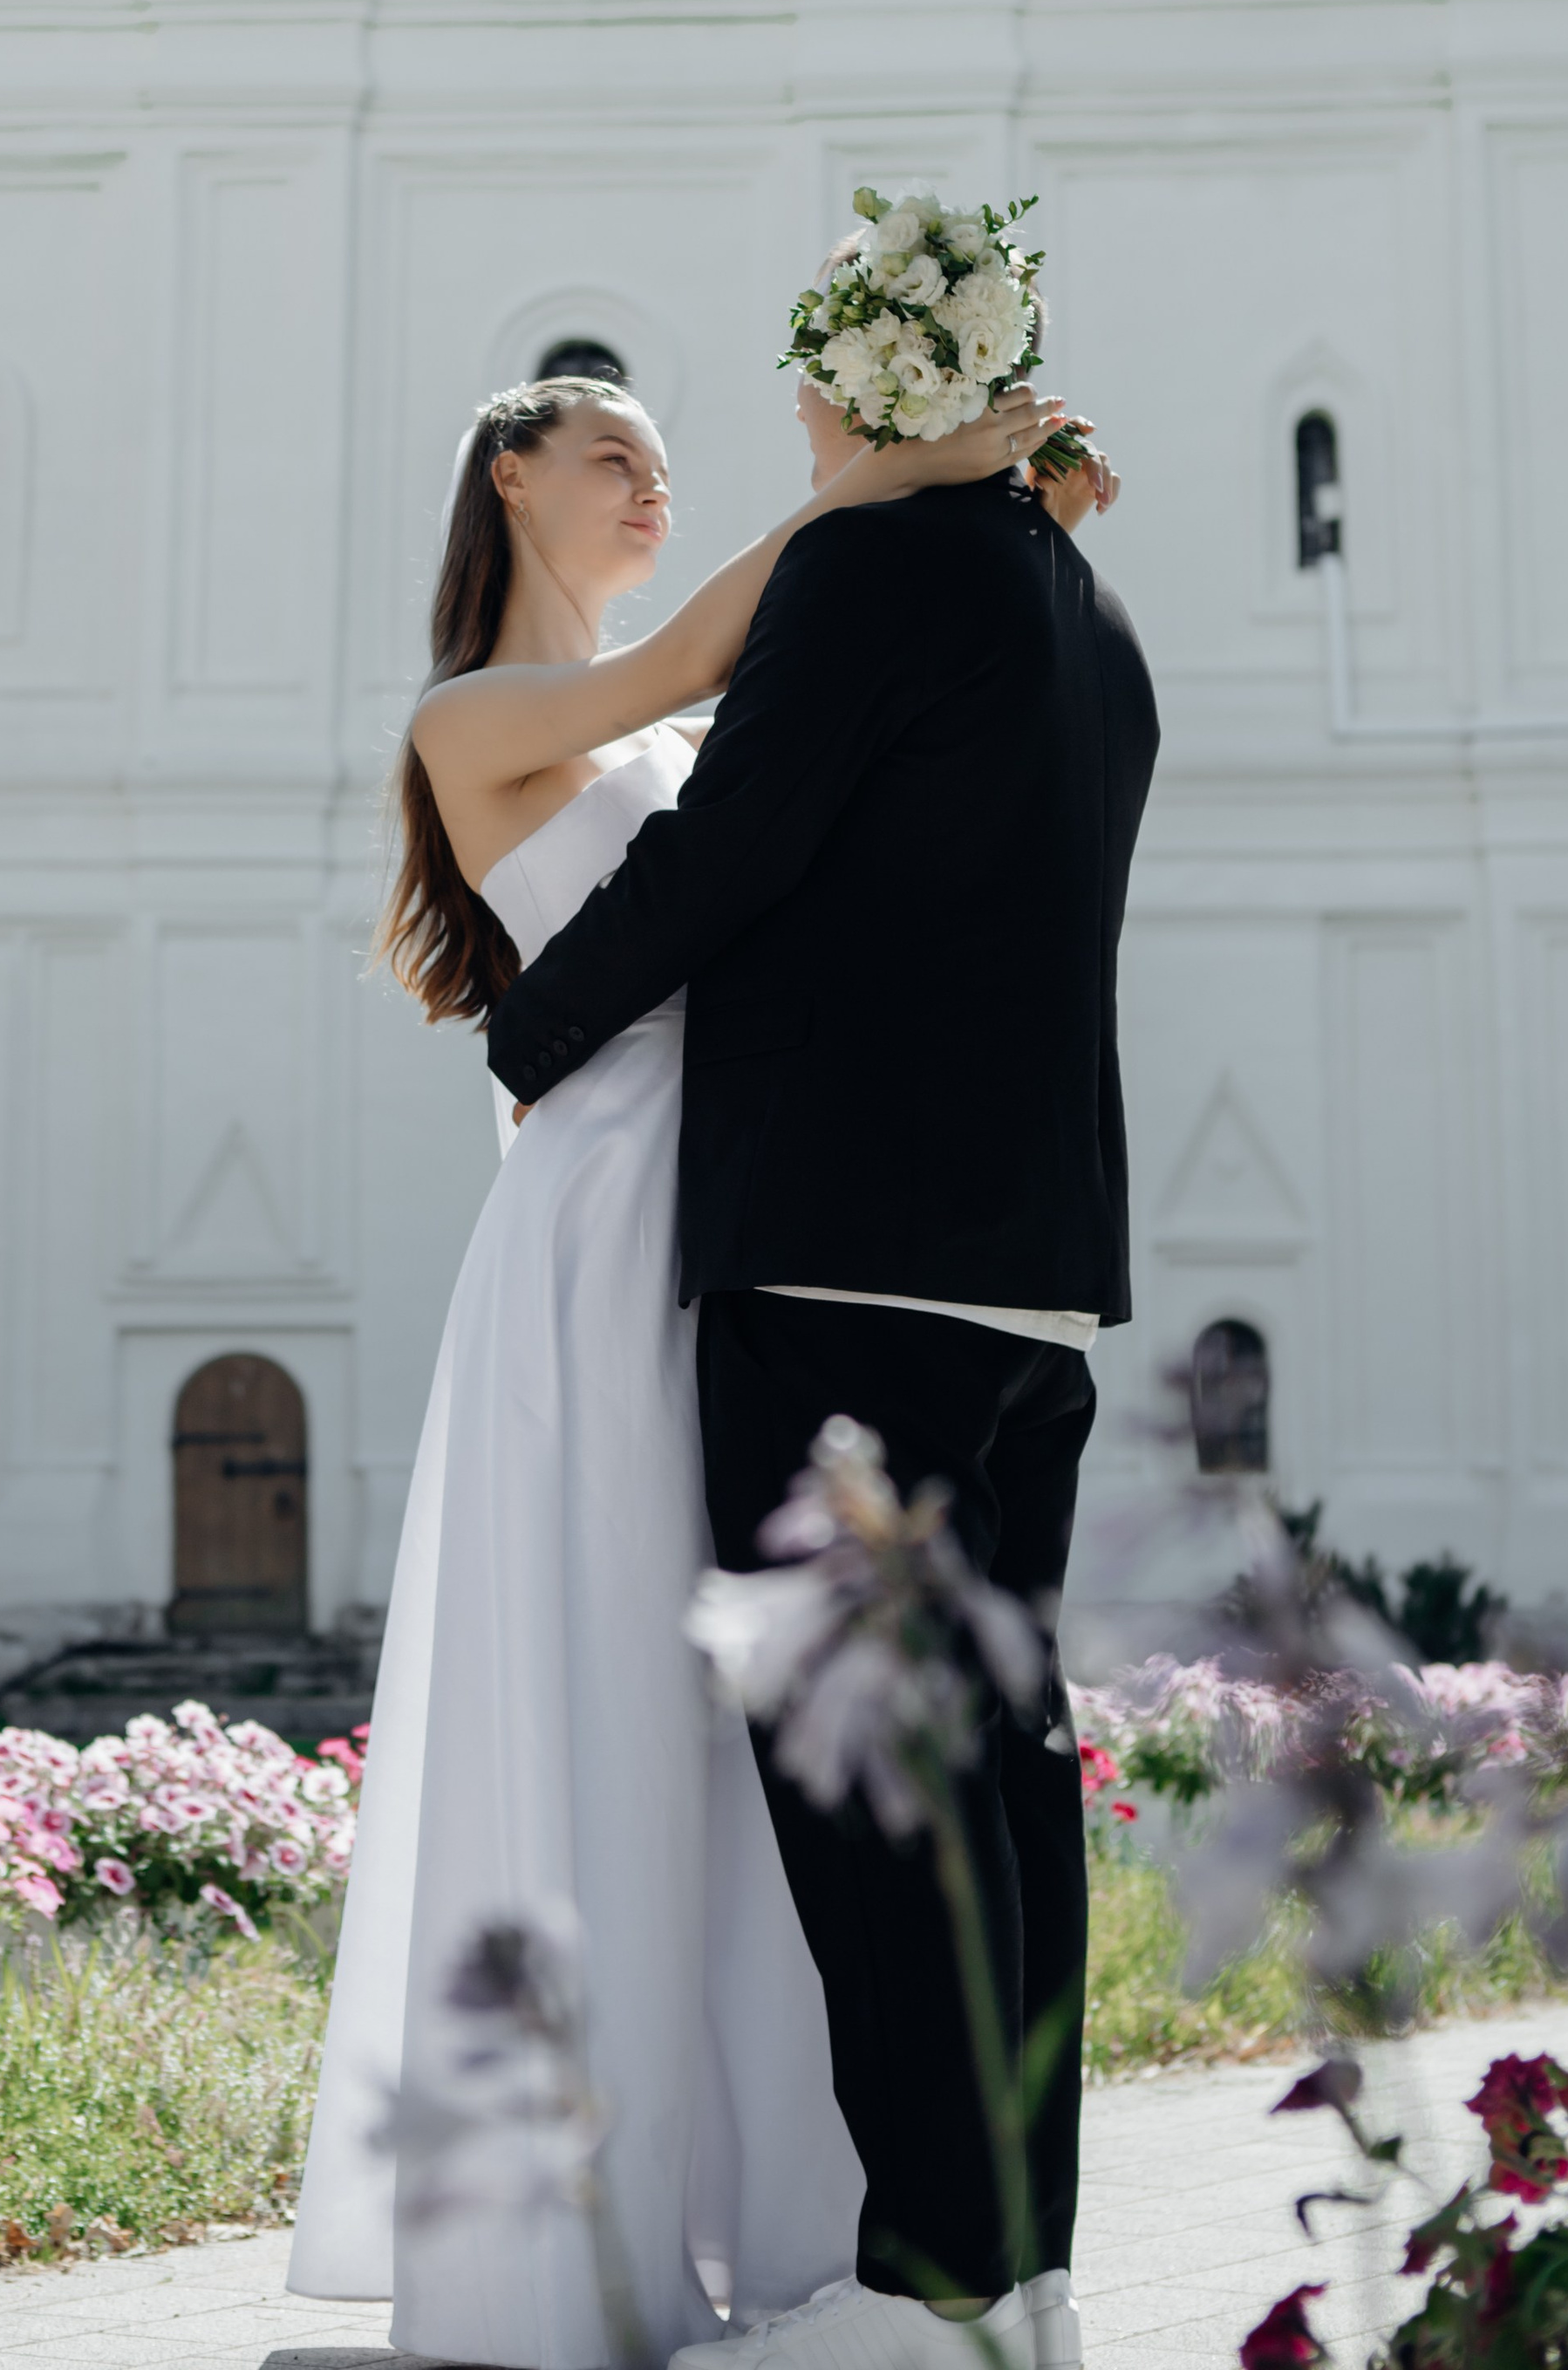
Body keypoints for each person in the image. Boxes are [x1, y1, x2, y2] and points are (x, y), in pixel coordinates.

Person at [287, 360, 1112, 2370]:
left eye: (666, 464)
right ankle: (585, 2243)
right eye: (608, 458)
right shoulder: (474, 716)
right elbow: (693, 657)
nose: (649, 486)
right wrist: (912, 481)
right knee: (609, 1699)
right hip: (603, 1232)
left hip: (764, 1211)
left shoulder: (690, 718)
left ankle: (846, 2228)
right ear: (504, 479)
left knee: (779, 1750)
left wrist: (988, 548)